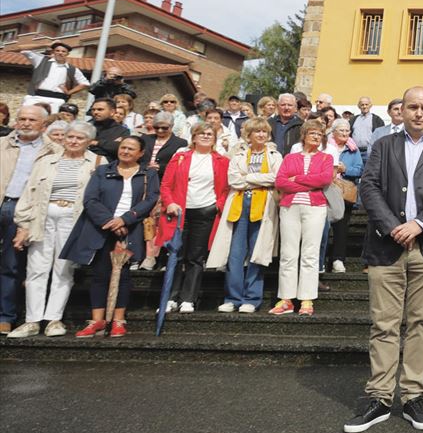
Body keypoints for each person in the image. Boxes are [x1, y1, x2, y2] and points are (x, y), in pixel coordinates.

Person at [343, 87, 423, 433]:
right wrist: (394, 226)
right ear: (402, 110)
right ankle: (379, 397)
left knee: (422, 322)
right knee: (383, 323)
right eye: (412, 106)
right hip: (386, 244)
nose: (419, 113)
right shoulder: (384, 145)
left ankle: (413, 395)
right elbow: (369, 187)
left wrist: (419, 223)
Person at [7, 122, 100, 338]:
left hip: (73, 219)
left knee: (63, 270)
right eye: (70, 137)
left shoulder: (97, 161)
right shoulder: (46, 161)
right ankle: (32, 321)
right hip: (43, 217)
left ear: (88, 141)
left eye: (80, 138)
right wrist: (23, 223)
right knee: (36, 269)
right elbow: (29, 192)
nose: (74, 141)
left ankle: (54, 319)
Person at [63, 135, 160, 337]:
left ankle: (118, 319)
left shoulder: (147, 175)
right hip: (103, 227)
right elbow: (90, 199)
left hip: (130, 228)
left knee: (123, 275)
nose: (125, 151)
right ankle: (97, 320)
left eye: (131, 149)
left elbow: (150, 199)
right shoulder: (102, 171)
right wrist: (110, 221)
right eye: (123, 147)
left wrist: (125, 219)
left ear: (141, 153)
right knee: (100, 274)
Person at [205, 117, 282, 313]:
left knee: (258, 252)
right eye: (257, 131)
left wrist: (247, 178)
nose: (261, 135)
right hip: (239, 205)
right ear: (248, 135)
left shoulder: (274, 155)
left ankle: (252, 298)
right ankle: (232, 298)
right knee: (235, 254)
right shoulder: (238, 155)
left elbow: (276, 178)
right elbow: (234, 181)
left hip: (263, 206)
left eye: (265, 131)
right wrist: (259, 181)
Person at [158, 123, 230, 313]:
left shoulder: (222, 161)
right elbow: (165, 185)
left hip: (205, 211)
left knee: (195, 258)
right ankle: (170, 297)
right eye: (202, 134)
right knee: (176, 255)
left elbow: (225, 188)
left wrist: (217, 206)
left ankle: (188, 298)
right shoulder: (180, 158)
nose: (206, 137)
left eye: (210, 134)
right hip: (180, 212)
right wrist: (170, 202)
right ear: (194, 137)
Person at [1, 105, 56, 335]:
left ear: (43, 125)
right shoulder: (2, 144)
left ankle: (5, 316)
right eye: (22, 118)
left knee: (12, 266)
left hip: (24, 211)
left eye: (32, 120)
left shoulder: (54, 151)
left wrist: (27, 223)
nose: (25, 123)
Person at [270, 120, 334, 317]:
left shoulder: (326, 158)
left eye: (319, 134)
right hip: (290, 207)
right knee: (288, 253)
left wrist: (296, 179)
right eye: (312, 133)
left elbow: (324, 180)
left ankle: (307, 299)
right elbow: (280, 182)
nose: (316, 137)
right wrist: (308, 184)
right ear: (304, 135)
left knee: (310, 253)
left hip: (315, 207)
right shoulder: (290, 158)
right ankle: (286, 299)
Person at [323, 118, 364, 274]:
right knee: (323, 227)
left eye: (347, 131)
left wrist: (345, 169)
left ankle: (338, 259)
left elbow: (359, 169)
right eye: (342, 130)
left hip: (344, 193)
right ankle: (322, 259)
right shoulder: (325, 146)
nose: (345, 133)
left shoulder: (353, 149)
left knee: (342, 228)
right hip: (326, 190)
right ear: (333, 132)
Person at [21, 42, 90, 112]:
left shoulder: (72, 69)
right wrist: (46, 44)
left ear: (67, 54)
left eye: (63, 51)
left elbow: (85, 84)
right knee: (27, 116)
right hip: (37, 97)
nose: (60, 53)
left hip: (57, 100)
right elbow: (23, 48)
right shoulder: (41, 60)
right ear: (53, 52)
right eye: (57, 51)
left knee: (53, 122)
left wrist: (69, 92)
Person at [88, 98, 129, 162]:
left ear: (112, 112)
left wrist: (97, 143)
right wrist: (109, 144)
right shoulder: (86, 127)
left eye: (100, 109)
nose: (95, 112)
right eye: (93, 110)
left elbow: (120, 149)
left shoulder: (122, 130)